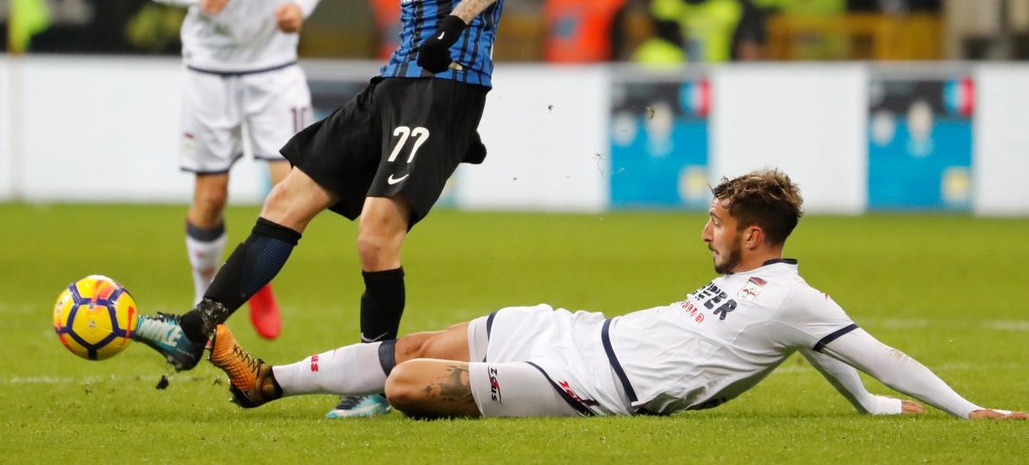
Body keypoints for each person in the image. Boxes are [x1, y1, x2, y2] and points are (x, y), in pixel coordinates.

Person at [134, 0, 529, 419]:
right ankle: (197, 326)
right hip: (393, 84)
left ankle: (373, 378)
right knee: (286, 198)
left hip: (447, 89)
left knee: (375, 234)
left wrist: (457, 22)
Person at [201, 169, 1027, 422]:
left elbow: (869, 352)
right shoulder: (768, 295)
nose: (705, 233)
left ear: (751, 235)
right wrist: (872, 411)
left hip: (590, 387)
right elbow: (821, 355)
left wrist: (963, 412)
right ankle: (264, 382)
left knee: (406, 387)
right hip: (576, 331)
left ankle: (312, 388)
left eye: (716, 222)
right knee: (415, 347)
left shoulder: (793, 295)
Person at [142, 0, 333, 341]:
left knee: (291, 192)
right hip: (211, 69)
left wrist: (303, 3)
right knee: (211, 197)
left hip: (275, 68)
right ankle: (212, 304)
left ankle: (251, 269)